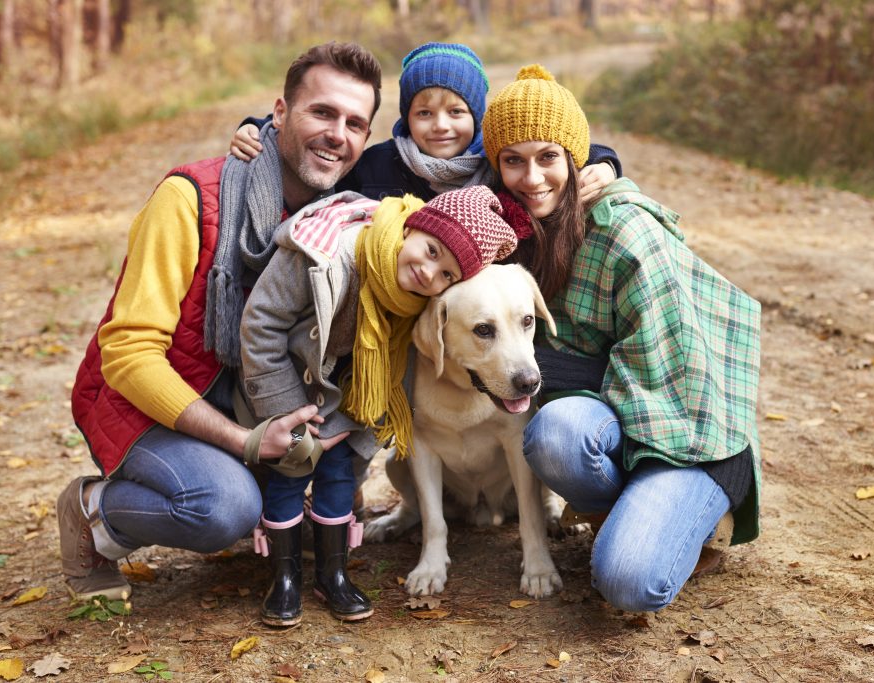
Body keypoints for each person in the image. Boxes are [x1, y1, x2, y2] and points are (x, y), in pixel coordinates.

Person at [58, 42, 383, 605]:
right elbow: (130, 356)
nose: (338, 134)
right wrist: (246, 442)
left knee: (329, 476)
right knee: (223, 508)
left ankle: (265, 491)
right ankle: (94, 513)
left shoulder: (338, 220)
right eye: (322, 113)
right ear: (278, 113)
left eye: (356, 123)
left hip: (247, 397)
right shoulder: (189, 199)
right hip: (144, 402)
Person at [481, 65, 763, 613]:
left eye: (547, 157)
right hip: (620, 416)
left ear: (574, 160)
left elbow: (667, 379)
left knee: (629, 584)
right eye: (512, 160)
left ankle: (701, 516)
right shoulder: (514, 234)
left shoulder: (625, 233)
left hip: (687, 434)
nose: (531, 176)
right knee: (552, 435)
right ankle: (627, 512)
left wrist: (554, 368)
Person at [239, 184, 529, 626]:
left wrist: (353, 424)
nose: (430, 273)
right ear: (413, 226)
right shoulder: (324, 252)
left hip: (349, 403)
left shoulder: (414, 299)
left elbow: (386, 377)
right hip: (286, 399)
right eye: (431, 250)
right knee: (288, 474)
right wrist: (284, 413)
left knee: (339, 477)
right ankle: (284, 578)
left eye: (447, 274)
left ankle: (332, 575)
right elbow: (260, 326)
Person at [229, 42, 621, 204]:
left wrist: (605, 163)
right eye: (424, 113)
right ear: (406, 118)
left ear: (478, 118)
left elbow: (558, 147)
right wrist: (257, 126)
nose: (440, 126)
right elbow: (313, 146)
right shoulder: (379, 163)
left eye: (456, 112)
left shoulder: (496, 164)